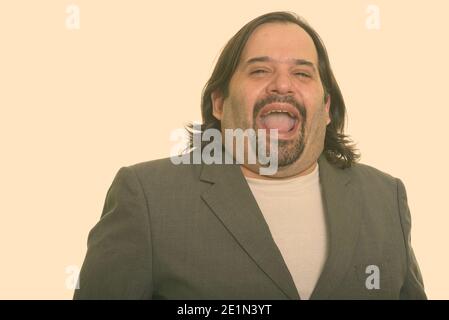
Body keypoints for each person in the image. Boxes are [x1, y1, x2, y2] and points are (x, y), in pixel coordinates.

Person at [74, 11, 426, 300]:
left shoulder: (385, 197)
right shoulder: (147, 197)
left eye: (302, 73)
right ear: (219, 103)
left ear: (327, 105)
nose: (282, 85)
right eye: (259, 70)